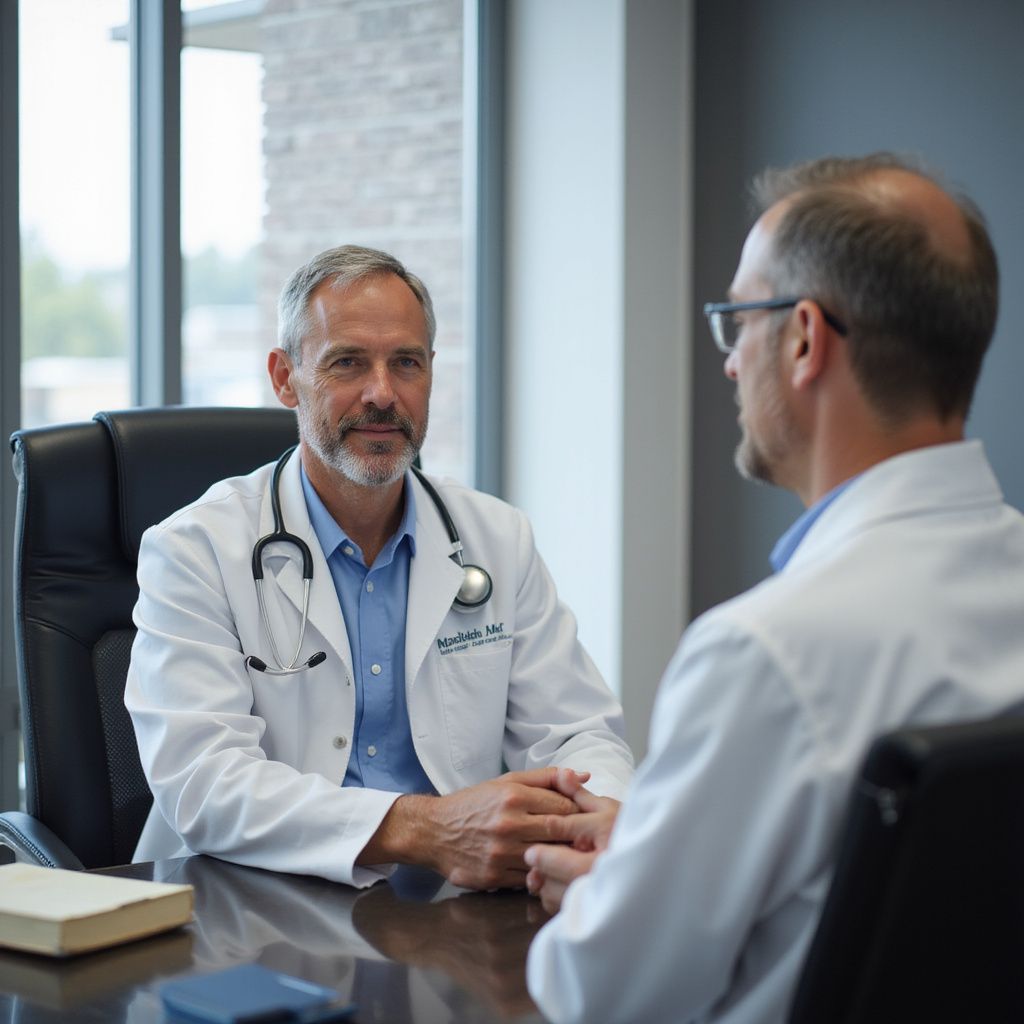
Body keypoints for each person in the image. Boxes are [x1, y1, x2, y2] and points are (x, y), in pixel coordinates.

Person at [523, 153, 1024, 1023]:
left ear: (802, 339)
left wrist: (611, 896)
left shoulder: (767, 653)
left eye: (736, 321)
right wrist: (658, 851)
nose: (728, 364)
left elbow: (603, 994)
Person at [125, 244, 633, 890]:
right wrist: (426, 828)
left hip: (459, 907)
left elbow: (579, 733)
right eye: (347, 363)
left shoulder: (496, 538)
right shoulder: (195, 550)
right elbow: (204, 784)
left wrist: (598, 820)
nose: (383, 394)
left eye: (407, 364)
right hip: (258, 906)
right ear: (285, 378)